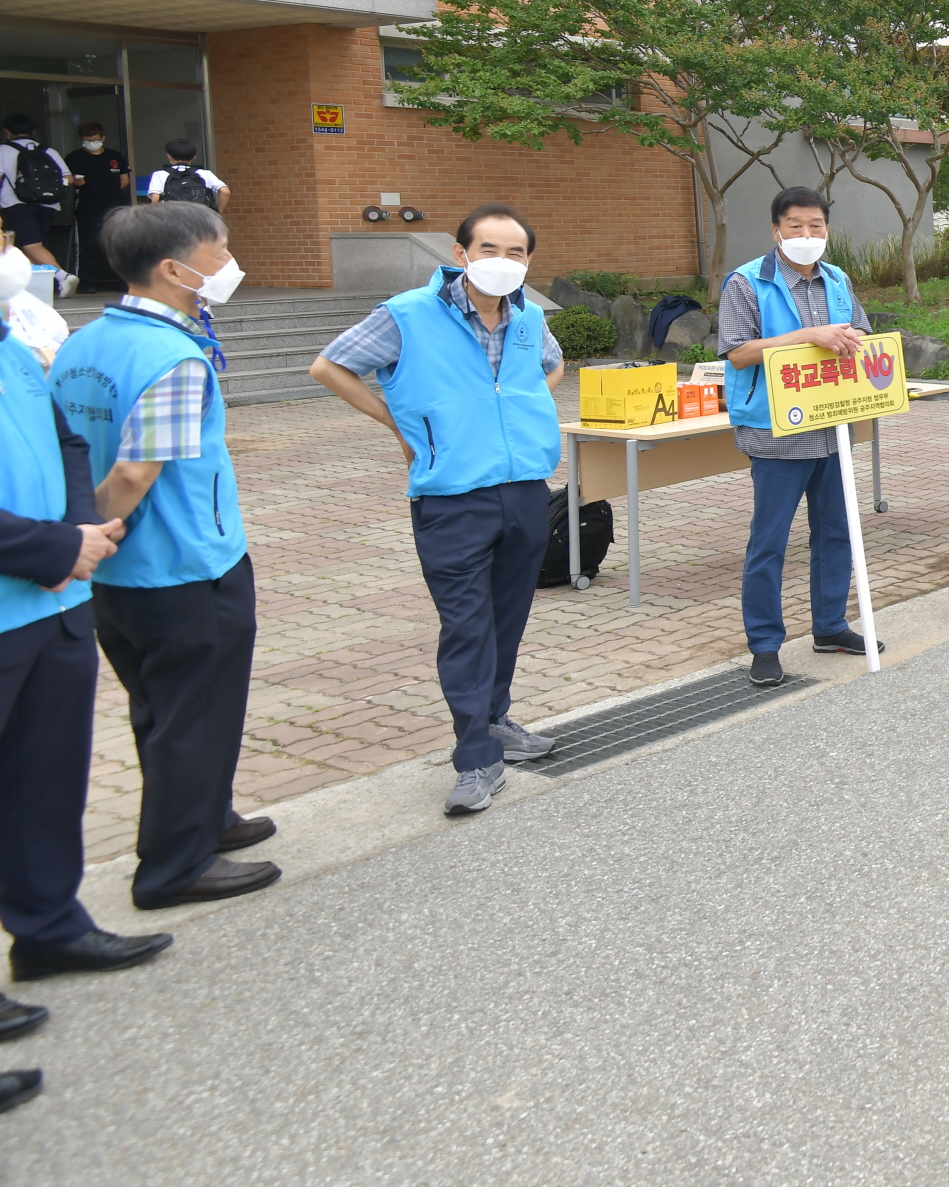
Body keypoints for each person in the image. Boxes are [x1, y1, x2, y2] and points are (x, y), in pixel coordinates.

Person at [51, 201, 276, 907]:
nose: (230, 263)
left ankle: (206, 816)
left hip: (119, 577)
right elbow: (132, 475)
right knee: (194, 713)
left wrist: (81, 541)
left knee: (159, 706)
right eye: (221, 251)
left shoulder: (84, 342)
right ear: (176, 269)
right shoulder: (173, 359)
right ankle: (175, 867)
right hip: (184, 564)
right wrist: (93, 532)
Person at [308, 204, 566, 813]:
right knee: (467, 627)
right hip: (451, 498)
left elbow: (550, 370)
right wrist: (398, 425)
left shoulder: (529, 317)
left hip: (525, 489)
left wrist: (519, 410)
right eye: (488, 249)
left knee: (507, 618)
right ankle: (475, 757)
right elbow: (330, 367)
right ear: (460, 254)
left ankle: (497, 719)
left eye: (516, 252)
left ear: (529, 260)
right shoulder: (407, 314)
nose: (502, 262)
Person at [0, 284, 151, 1058]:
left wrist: (78, 534)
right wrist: (56, 548)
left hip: (53, 603)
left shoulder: (11, 345)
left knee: (44, 779)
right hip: (28, 584)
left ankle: (50, 928)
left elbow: (66, 444)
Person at [714, 187, 878, 689]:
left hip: (833, 423)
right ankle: (764, 645)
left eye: (815, 226)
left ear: (827, 230)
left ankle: (830, 625)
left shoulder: (837, 279)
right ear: (776, 230)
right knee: (770, 541)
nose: (807, 234)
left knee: (837, 532)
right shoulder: (746, 282)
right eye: (795, 226)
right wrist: (808, 336)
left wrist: (854, 341)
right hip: (775, 429)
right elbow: (737, 352)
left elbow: (862, 333)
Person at [0, 117, 73, 296]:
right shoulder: (49, 151)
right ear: (32, 132)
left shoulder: (3, 150)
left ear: (7, 131)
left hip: (17, 204)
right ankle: (33, 289)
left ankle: (62, 276)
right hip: (49, 205)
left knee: (31, 246)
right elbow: (69, 179)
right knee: (33, 246)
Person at [64, 124, 131, 293]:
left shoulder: (114, 156)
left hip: (114, 208)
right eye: (87, 139)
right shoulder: (74, 158)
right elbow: (68, 181)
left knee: (118, 244)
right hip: (87, 207)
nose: (92, 142)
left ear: (103, 138)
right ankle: (86, 282)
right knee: (87, 246)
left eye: (95, 139)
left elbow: (124, 180)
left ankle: (123, 280)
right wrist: (76, 183)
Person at [140, 138, 226, 214]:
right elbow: (225, 192)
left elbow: (155, 198)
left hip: (172, 219)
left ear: (169, 156)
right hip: (201, 219)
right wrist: (216, 214)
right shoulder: (205, 174)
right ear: (194, 157)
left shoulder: (160, 174)